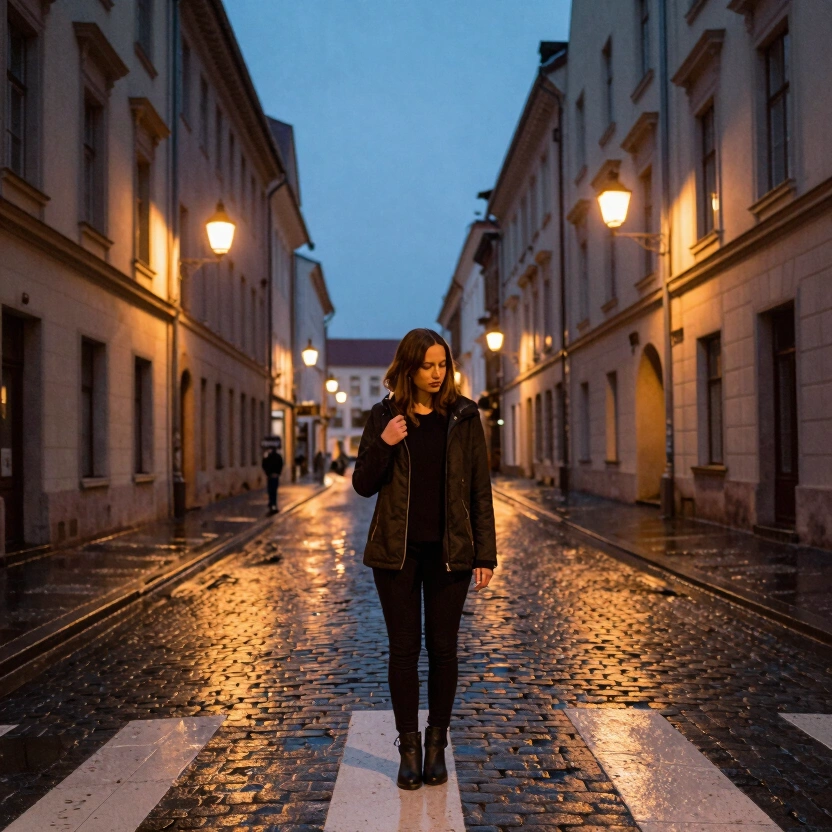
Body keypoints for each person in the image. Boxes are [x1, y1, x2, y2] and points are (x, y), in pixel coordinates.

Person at [353, 328, 497, 791]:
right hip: (396, 553)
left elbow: (479, 489)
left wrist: (485, 553)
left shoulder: (463, 415)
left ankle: (437, 746)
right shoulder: (384, 416)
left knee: (444, 650)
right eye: (427, 366)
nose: (437, 374)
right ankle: (408, 749)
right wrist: (387, 441)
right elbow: (363, 483)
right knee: (403, 651)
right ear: (408, 368)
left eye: (443, 365)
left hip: (450, 553)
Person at [261, 447, 284, 513]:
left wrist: (267, 473)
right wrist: (278, 473)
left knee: (271, 491)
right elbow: (281, 464)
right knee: (274, 491)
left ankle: (272, 504)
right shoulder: (278, 457)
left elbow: (264, 464)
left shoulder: (268, 457)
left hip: (270, 476)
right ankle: (273, 505)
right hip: (275, 476)